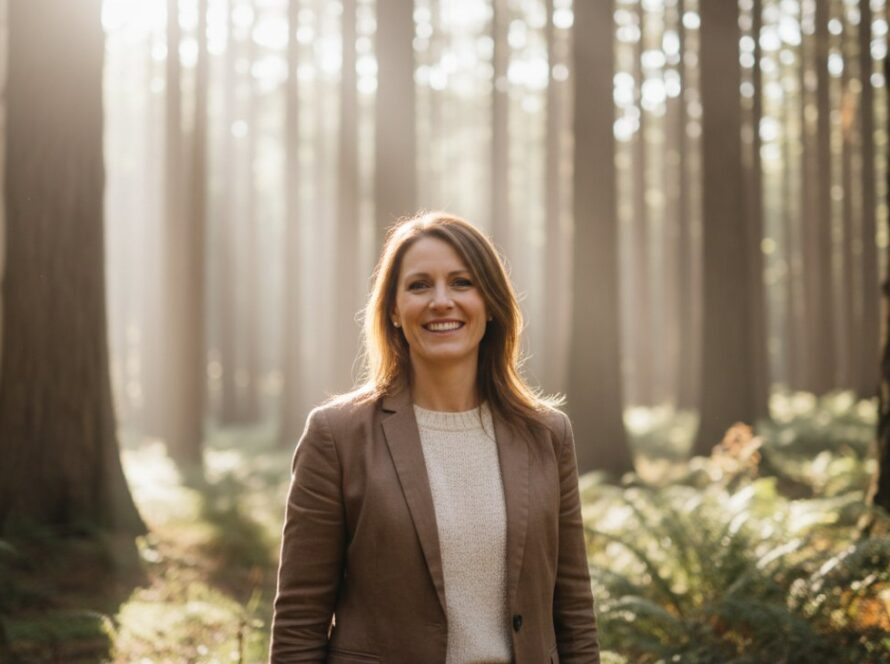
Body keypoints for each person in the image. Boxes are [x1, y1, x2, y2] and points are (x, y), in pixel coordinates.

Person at [270, 211, 599, 663]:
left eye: (462, 283)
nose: (441, 301)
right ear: (393, 310)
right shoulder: (337, 436)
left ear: (491, 303)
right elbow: (298, 625)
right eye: (419, 285)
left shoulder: (546, 433)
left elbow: (574, 612)